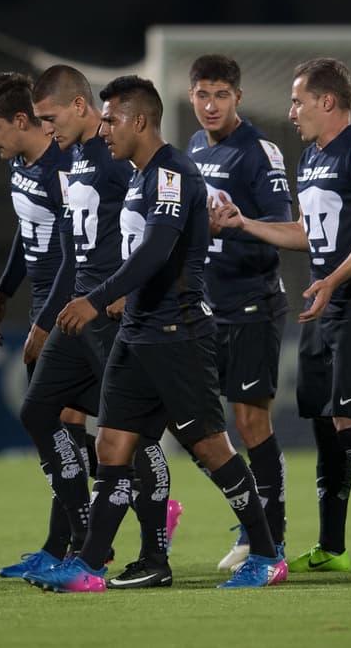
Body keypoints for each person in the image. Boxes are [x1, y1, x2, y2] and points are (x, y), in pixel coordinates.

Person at [26, 75, 285, 592]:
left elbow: (156, 250)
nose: (104, 130)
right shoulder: (141, 177)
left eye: (112, 119)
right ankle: (92, 565)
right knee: (113, 445)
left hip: (178, 333)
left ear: (139, 120)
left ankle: (266, 553)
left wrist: (95, 298)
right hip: (137, 333)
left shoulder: (172, 172)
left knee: (212, 449)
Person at [212, 58, 351, 572]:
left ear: (327, 101)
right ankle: (333, 546)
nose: (291, 111)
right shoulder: (310, 157)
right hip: (325, 306)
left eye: (298, 101)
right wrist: (244, 223)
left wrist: (333, 279)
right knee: (323, 424)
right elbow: (307, 233)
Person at [9, 65, 180, 581]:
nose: (46, 127)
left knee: (135, 434)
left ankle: (155, 553)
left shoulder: (116, 156)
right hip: (78, 311)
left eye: (50, 117)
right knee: (39, 412)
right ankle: (87, 537)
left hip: (113, 312)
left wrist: (132, 292)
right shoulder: (75, 157)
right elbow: (69, 247)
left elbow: (157, 224)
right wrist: (43, 320)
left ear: (80, 107)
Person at [0, 71, 104, 575]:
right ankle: (65, 544)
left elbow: (73, 256)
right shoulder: (22, 168)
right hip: (45, 307)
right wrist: (2, 296)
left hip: (73, 311)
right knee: (63, 430)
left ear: (22, 121)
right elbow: (27, 236)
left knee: (55, 424)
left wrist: (45, 322)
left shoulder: (63, 170)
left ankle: (102, 527)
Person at [185, 55, 292, 571]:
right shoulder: (192, 147)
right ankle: (253, 523)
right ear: (191, 97)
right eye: (203, 94)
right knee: (197, 426)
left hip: (252, 303)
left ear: (238, 98)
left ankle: (270, 535)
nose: (211, 105)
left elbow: (287, 230)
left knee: (251, 422)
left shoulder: (259, 153)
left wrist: (241, 224)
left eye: (221, 95)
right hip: (205, 307)